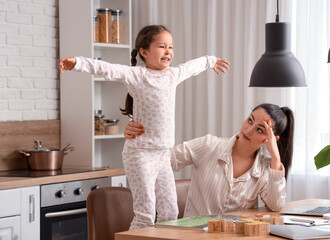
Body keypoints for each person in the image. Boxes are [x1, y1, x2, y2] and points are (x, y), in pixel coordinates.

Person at [59, 25, 230, 229]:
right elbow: (107, 68)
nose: (168, 51)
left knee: (170, 212)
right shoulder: (137, 75)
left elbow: (192, 66)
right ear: (144, 52)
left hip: (162, 155)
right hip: (140, 154)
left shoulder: (173, 75)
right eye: (162, 46)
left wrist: (211, 61)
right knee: (145, 214)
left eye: (171, 47)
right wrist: (76, 63)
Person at [124, 103, 294, 217]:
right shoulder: (209, 145)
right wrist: (138, 137)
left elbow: (276, 205)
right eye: (249, 120)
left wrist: (275, 158)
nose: (249, 130)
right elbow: (161, 161)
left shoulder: (266, 169)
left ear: (271, 139)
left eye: (259, 130)